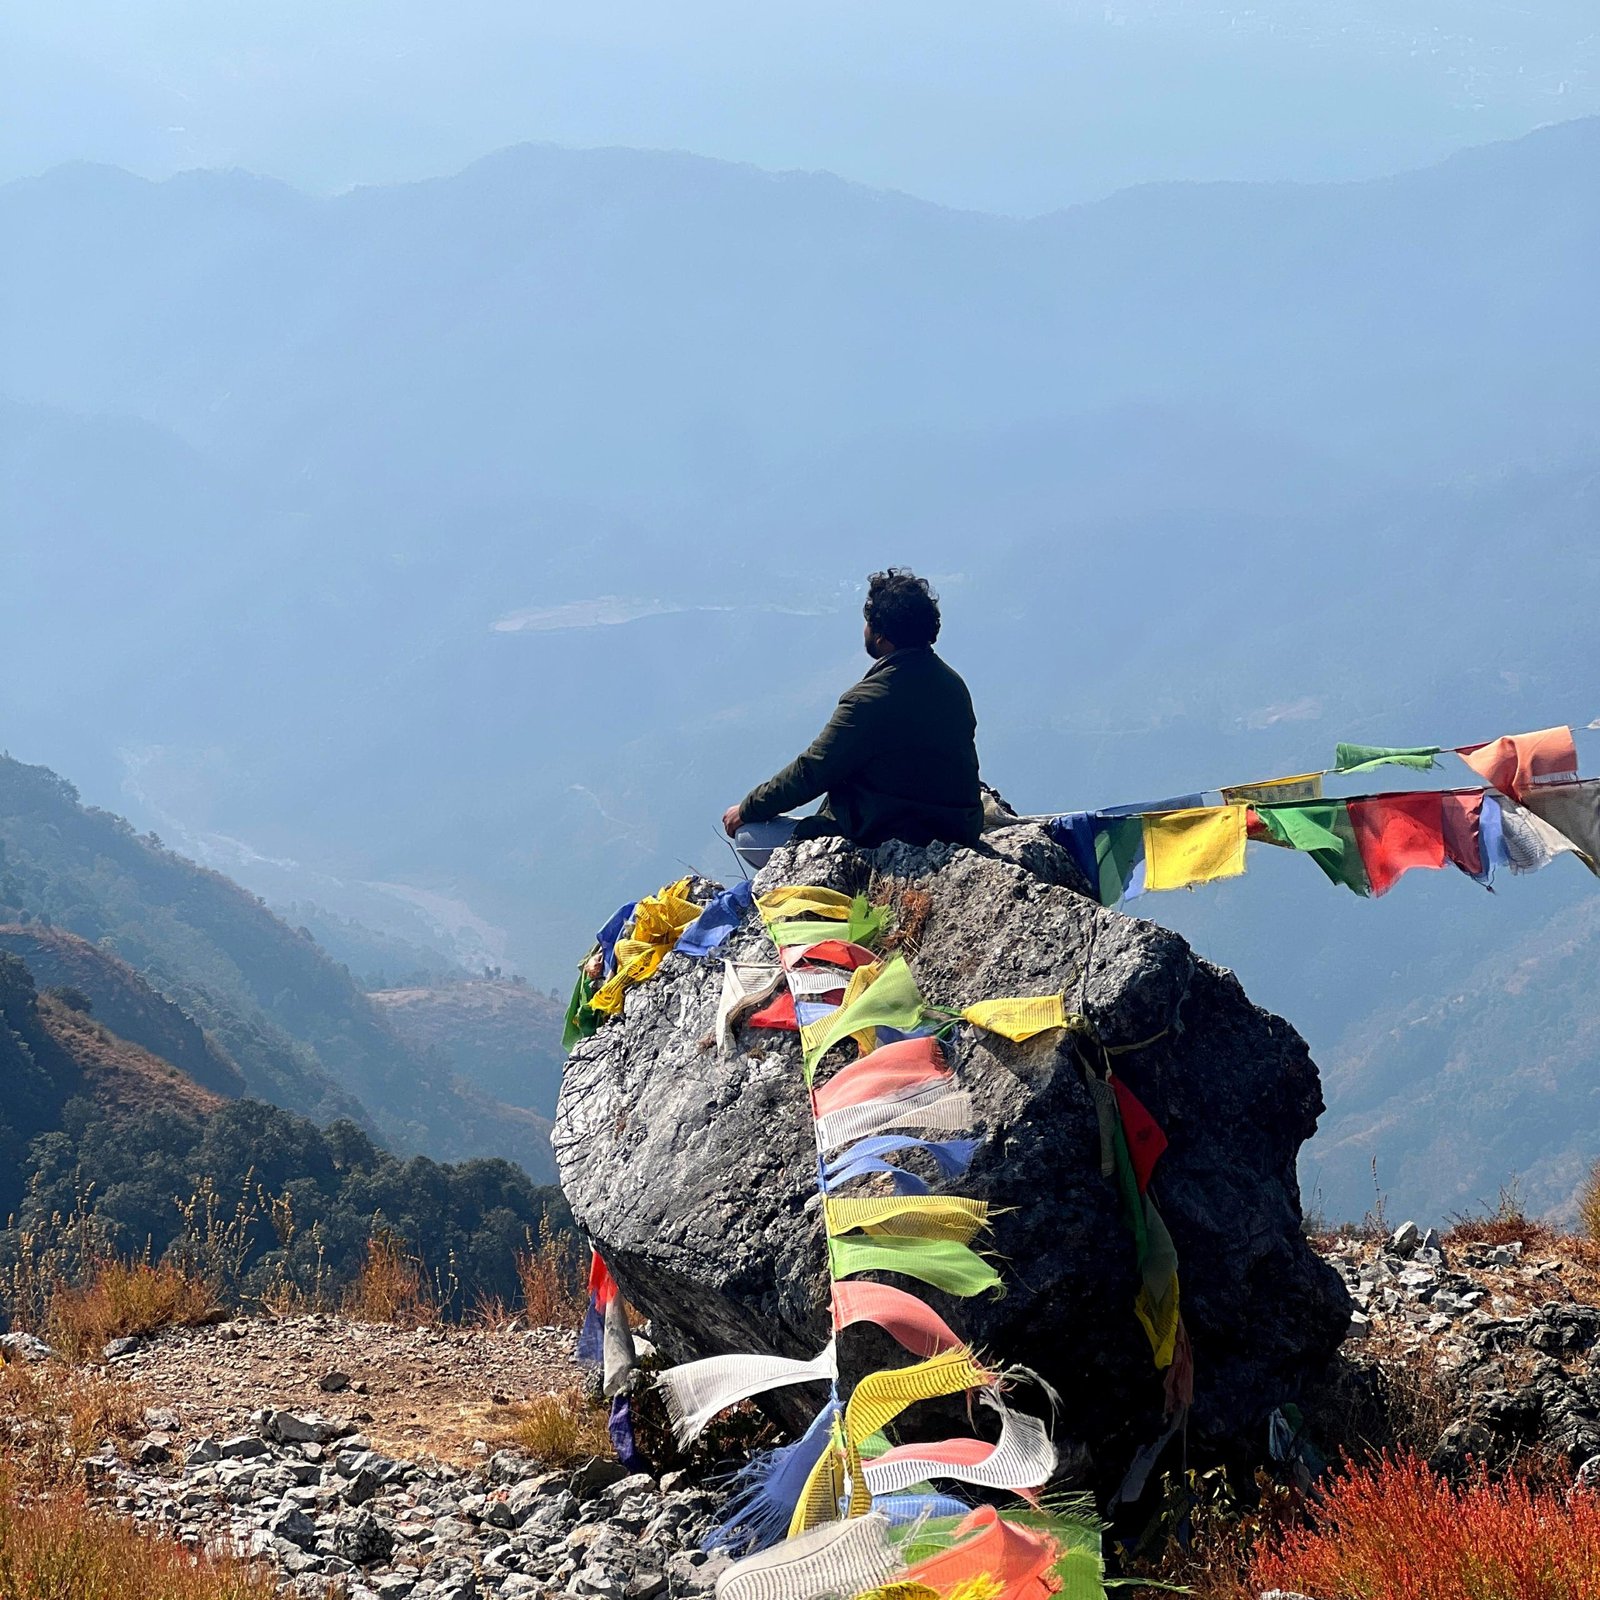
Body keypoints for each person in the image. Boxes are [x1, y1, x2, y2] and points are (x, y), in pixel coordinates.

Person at [723, 568, 984, 867]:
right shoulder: (953, 685)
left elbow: (811, 771)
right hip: (957, 828)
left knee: (750, 837)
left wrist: (747, 809)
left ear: (882, 636)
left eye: (868, 623)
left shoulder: (867, 700)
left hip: (890, 832)